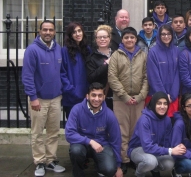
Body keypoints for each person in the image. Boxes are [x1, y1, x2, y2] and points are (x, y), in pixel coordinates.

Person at [22, 20, 66, 176]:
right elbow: (27, 76)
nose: (48, 32)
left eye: (51, 30)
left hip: (56, 98)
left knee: (53, 132)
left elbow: (61, 72)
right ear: (39, 31)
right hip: (38, 99)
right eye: (45, 30)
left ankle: (50, 160)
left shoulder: (58, 49)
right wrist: (33, 97)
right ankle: (39, 161)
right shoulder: (32, 50)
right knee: (38, 132)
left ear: (54, 32)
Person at [108, 27, 149, 174]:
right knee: (122, 130)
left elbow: (146, 77)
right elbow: (112, 78)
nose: (129, 40)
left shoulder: (143, 55)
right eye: (126, 38)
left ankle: (133, 158)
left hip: (138, 99)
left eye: (132, 37)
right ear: (123, 40)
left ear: (136, 39)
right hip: (121, 99)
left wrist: (140, 96)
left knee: (136, 130)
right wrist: (125, 96)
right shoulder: (116, 56)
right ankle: (123, 159)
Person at [65, 82, 123, 177]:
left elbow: (116, 140)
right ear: (87, 96)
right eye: (93, 95)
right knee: (76, 151)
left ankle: (100, 167)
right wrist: (90, 141)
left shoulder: (109, 114)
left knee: (109, 169)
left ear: (104, 97)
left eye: (100, 95)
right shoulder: (77, 110)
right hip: (82, 144)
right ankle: (78, 173)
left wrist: (118, 166)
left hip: (102, 145)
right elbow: (69, 134)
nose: (96, 99)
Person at [128, 92, 186, 177]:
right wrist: (170, 151)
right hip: (138, 148)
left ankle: (154, 169)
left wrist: (178, 147)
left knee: (169, 162)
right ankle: (139, 174)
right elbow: (147, 147)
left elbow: (167, 142)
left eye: (165, 104)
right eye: (159, 103)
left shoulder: (167, 120)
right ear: (153, 104)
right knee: (150, 161)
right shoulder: (144, 120)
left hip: (155, 149)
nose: (162, 107)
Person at [147, 24, 180, 117]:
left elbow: (178, 73)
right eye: (163, 34)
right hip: (157, 96)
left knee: (172, 123)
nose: (166, 36)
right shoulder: (153, 52)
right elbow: (153, 76)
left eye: (169, 34)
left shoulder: (176, 51)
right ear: (159, 35)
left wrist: (173, 94)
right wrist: (163, 95)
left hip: (173, 97)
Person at [61, 22, 91, 119]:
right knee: (72, 125)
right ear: (70, 35)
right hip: (71, 97)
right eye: (74, 32)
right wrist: (71, 90)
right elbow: (62, 73)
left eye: (79, 31)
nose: (78, 34)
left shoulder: (87, 50)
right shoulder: (65, 51)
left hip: (86, 96)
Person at [86, 24, 114, 110]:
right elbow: (91, 77)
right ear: (96, 40)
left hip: (116, 96)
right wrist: (106, 64)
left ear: (109, 38)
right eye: (99, 37)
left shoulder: (116, 54)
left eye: (105, 37)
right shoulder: (92, 57)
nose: (102, 39)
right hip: (99, 96)